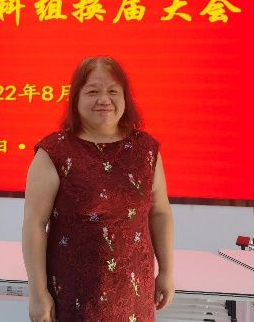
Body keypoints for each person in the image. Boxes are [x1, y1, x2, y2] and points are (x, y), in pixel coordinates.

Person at [22, 56, 174, 322]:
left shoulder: (146, 150)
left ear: (125, 98)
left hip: (135, 294)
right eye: (92, 91)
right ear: (76, 98)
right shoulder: (55, 152)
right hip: (74, 296)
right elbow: (35, 224)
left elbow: (160, 213)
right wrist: (37, 293)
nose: (104, 100)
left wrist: (167, 272)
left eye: (113, 91)